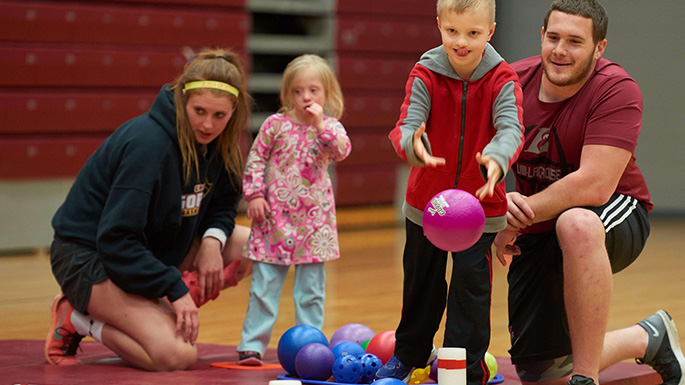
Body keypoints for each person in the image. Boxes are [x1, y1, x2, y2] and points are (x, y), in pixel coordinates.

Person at [493, 1, 685, 384]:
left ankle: (586, 377)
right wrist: (497, 206)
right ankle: (647, 337)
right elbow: (477, 157)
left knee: (576, 222)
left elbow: (595, 186)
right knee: (542, 374)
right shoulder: (510, 83)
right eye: (553, 37)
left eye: (575, 41)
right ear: (541, 37)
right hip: (539, 222)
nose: (560, 51)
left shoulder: (616, 89)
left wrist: (515, 215)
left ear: (599, 48)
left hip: (616, 213)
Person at [44, 48, 254, 371]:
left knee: (254, 244)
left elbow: (225, 204)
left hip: (150, 249)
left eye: (219, 116)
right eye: (199, 111)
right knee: (176, 356)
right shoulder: (149, 144)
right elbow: (115, 240)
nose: (208, 125)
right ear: (183, 100)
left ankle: (156, 307)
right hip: (91, 256)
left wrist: (213, 241)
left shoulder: (221, 146)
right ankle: (79, 317)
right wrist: (174, 287)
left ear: (233, 111)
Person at [376, 0, 524, 383]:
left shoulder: (502, 79)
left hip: (480, 207)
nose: (461, 42)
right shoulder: (424, 72)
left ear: (490, 31)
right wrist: (413, 145)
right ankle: (412, 353)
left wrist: (496, 157)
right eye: (452, 31)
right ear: (439, 24)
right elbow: (407, 123)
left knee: (470, 293)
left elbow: (511, 129)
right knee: (421, 284)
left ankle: (465, 371)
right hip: (426, 206)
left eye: (473, 33)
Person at [235, 54, 351, 366]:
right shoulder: (275, 125)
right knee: (264, 288)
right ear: (288, 94)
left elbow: (342, 150)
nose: (305, 98)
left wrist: (319, 123)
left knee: (311, 292)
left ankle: (310, 346)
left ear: (327, 93)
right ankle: (251, 345)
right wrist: (255, 195)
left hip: (314, 225)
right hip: (273, 221)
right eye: (298, 91)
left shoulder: (330, 129)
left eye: (313, 90)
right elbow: (256, 159)